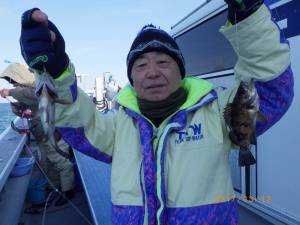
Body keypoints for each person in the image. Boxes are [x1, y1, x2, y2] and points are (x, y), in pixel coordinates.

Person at [19, 0, 293, 224]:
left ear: (180, 72)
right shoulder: (117, 128)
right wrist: (56, 73)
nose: (152, 73)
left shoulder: (216, 112)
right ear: (132, 79)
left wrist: (248, 16)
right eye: (140, 66)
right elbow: (77, 125)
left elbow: (269, 88)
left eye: (163, 61)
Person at [0, 63, 75, 208]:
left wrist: (10, 92)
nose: (12, 83)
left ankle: (69, 190)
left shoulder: (37, 86)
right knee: (46, 162)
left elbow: (33, 96)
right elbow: (27, 106)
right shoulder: (23, 91)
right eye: (9, 81)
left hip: (54, 131)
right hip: (40, 133)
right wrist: (17, 107)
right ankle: (56, 188)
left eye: (12, 79)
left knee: (61, 161)